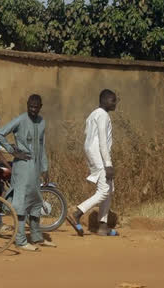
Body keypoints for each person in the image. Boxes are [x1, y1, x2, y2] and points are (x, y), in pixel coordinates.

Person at [0, 94, 54, 251]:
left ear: (40, 107)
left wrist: (45, 168)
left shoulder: (42, 123)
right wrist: (13, 151)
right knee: (21, 203)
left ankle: (37, 237)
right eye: (30, 106)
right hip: (22, 167)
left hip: (35, 169)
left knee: (35, 202)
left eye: (36, 107)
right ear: (27, 105)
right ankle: (20, 240)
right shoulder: (20, 120)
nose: (33, 110)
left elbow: (42, 147)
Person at [67, 89, 119, 237]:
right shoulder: (103, 115)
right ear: (104, 100)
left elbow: (87, 135)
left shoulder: (92, 115)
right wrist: (108, 163)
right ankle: (77, 213)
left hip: (92, 153)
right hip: (99, 156)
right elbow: (102, 139)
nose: (115, 103)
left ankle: (103, 226)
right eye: (112, 100)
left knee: (109, 188)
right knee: (103, 190)